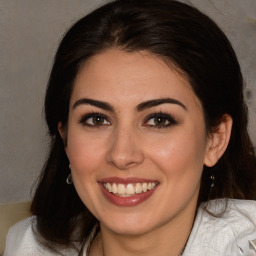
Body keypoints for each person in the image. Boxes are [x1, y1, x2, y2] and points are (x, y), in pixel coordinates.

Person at [4, 0, 256, 255]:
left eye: (159, 120)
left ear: (215, 139)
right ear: (65, 137)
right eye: (96, 119)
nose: (122, 155)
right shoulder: (28, 245)